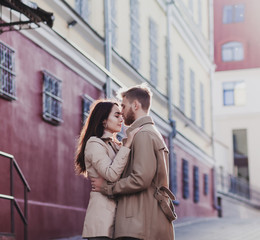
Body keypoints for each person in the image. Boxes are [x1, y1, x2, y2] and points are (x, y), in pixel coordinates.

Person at [91, 85, 175, 240]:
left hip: (138, 224)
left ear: (135, 105)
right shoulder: (147, 134)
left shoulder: (143, 134)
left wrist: (107, 188)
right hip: (141, 222)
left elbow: (140, 179)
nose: (121, 112)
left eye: (123, 106)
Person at [74, 99, 140, 240]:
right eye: (116, 115)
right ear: (104, 120)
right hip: (101, 223)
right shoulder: (94, 143)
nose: (121, 119)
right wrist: (127, 145)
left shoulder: (116, 145)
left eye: (121, 115)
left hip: (119, 220)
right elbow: (111, 174)